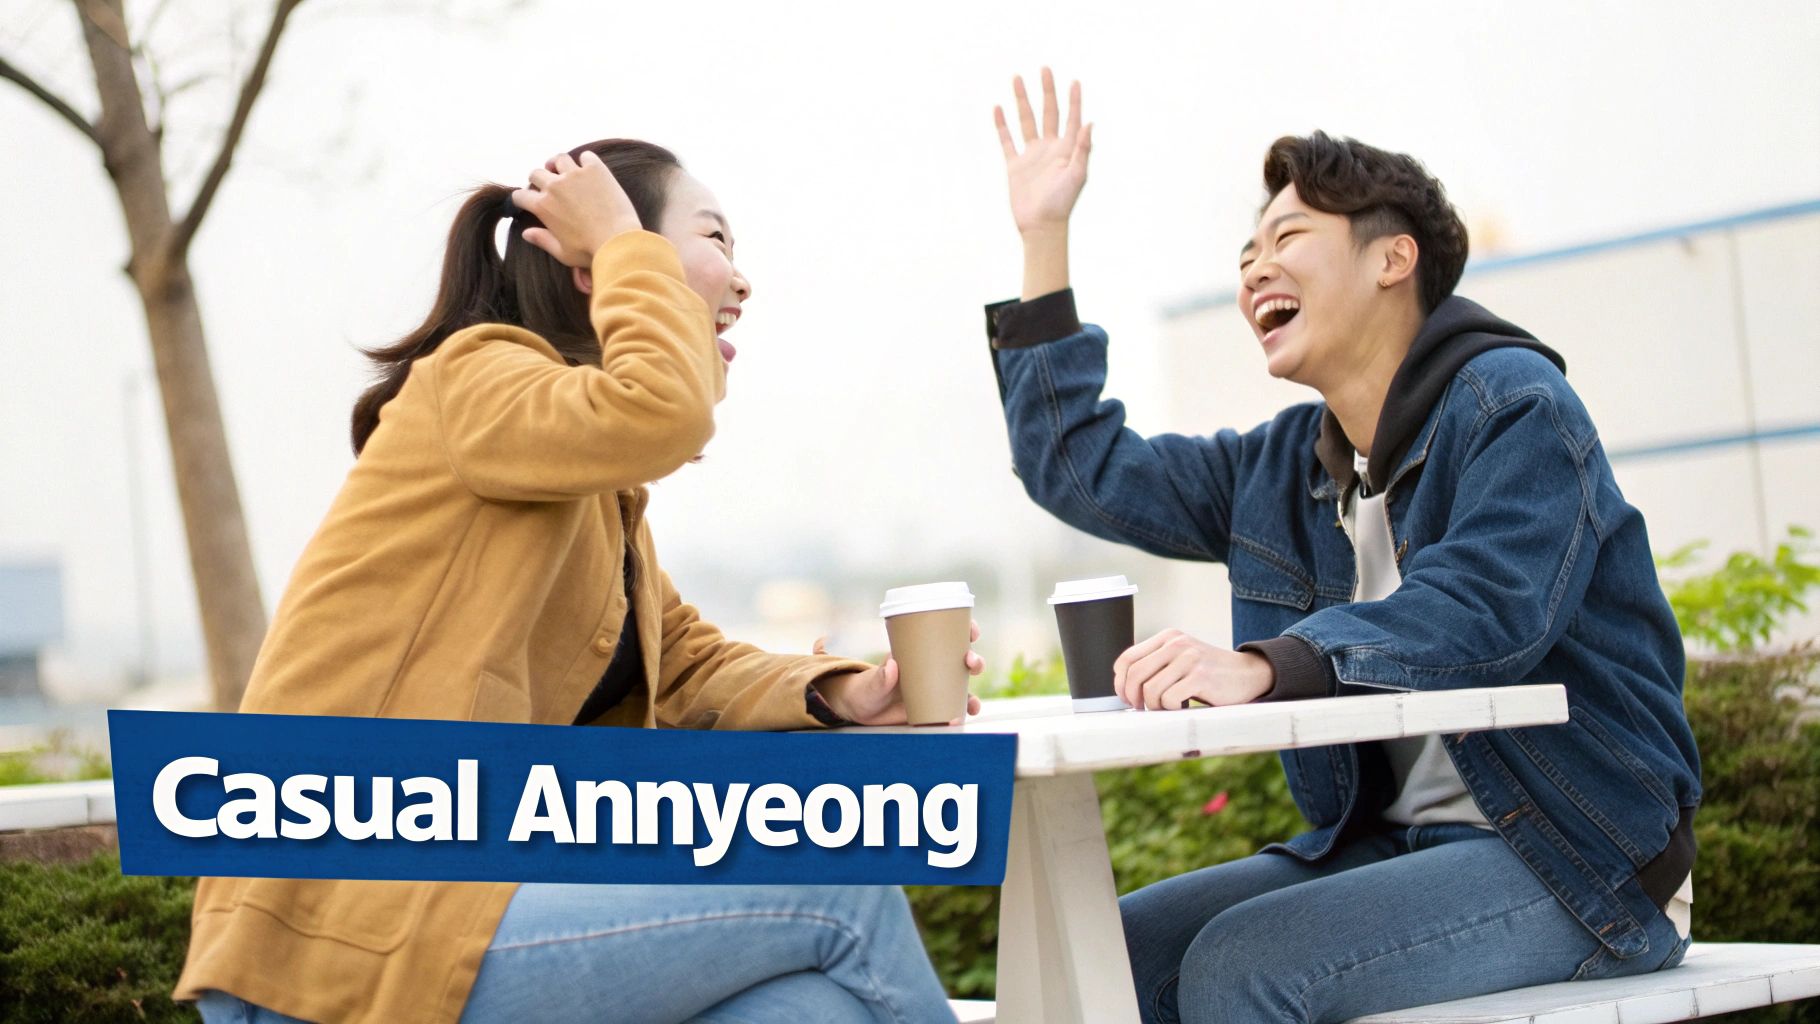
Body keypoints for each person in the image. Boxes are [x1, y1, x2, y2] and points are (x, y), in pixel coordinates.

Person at [174, 139, 977, 1024]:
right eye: (715, 239)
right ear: (600, 270)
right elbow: (662, 412)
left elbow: (685, 668)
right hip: (344, 930)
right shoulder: (479, 380)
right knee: (844, 893)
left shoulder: (587, 487)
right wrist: (625, 247)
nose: (742, 283)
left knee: (810, 1009)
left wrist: (842, 694)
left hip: (464, 910)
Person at [983, 70, 1700, 1024]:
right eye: (1247, 254)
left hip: (1577, 855)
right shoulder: (1284, 466)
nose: (1253, 272)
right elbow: (1080, 470)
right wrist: (1044, 238)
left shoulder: (1516, 405)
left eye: (1287, 240)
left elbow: (1482, 610)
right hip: (1383, 845)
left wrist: (1269, 664)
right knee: (1102, 957)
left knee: (1245, 966)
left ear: (1393, 258)